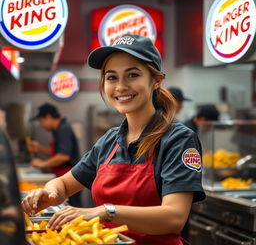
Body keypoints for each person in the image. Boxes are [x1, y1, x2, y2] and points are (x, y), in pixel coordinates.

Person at [22, 34, 205, 245]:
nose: (120, 87)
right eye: (111, 77)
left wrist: (106, 212)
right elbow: (63, 183)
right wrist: (51, 193)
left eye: (132, 75)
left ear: (156, 81)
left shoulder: (178, 139)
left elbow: (174, 218)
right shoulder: (109, 141)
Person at [27, 103, 82, 207]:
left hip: (69, 178)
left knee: (73, 209)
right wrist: (38, 148)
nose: (41, 124)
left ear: (48, 117)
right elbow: (56, 152)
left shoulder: (63, 129)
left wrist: (42, 164)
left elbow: (63, 156)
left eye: (41, 121)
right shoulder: (58, 129)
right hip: (63, 176)